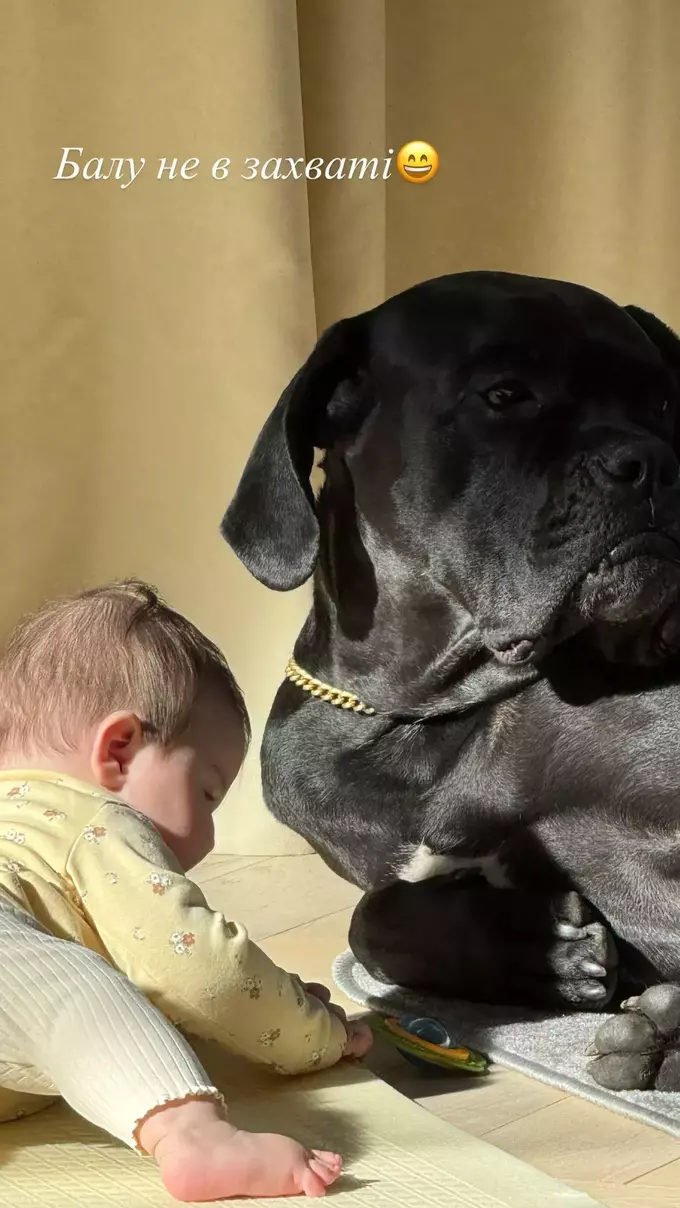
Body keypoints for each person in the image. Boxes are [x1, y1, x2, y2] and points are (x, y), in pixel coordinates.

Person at [0, 580, 372, 1201]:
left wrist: (265, 996)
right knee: (74, 990)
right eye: (206, 792)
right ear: (119, 752)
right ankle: (194, 1137)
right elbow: (201, 971)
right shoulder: (89, 818)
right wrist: (312, 1031)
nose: (208, 836)